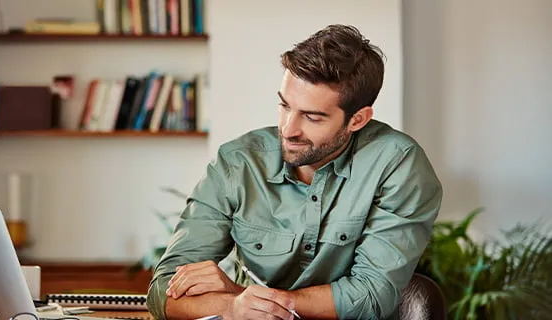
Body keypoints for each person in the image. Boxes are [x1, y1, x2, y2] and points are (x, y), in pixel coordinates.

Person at [146, 24, 443, 320]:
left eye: (312, 117)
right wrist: (231, 307)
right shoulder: (238, 163)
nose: (288, 130)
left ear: (357, 120)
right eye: (285, 105)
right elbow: (163, 292)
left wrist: (241, 295)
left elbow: (369, 298)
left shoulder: (398, 165)